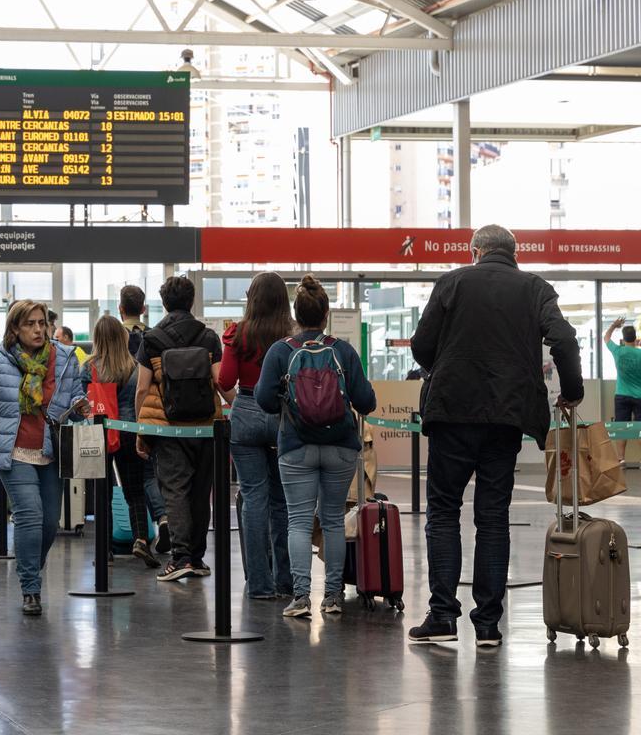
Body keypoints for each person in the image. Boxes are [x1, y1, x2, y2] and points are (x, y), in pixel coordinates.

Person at [408, 224, 582, 647]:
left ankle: (443, 616)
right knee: (492, 516)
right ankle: (488, 625)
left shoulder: (451, 282)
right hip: (506, 417)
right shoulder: (535, 288)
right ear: (514, 253)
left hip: (452, 412)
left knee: (445, 511)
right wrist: (572, 392)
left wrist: (447, 365)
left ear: (477, 251)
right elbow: (563, 337)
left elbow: (421, 345)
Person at [0, 301, 90, 616]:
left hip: (51, 450)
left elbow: (71, 395)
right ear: (15, 328)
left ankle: (30, 563)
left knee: (48, 523)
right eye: (30, 324)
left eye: (42, 323)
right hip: (13, 451)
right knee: (29, 516)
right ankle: (31, 588)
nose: (38, 330)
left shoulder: (65, 358)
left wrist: (79, 403)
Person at [256, 275, 376, 618]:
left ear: (297, 314)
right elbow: (366, 401)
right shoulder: (343, 350)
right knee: (333, 520)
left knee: (298, 521)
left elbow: (264, 401)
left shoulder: (281, 351)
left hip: (295, 446)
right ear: (326, 315)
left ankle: (300, 596)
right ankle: (334, 597)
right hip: (340, 447)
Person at [135, 276, 224, 582]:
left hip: (168, 428)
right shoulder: (209, 337)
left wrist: (141, 429)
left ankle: (180, 557)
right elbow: (220, 382)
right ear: (191, 301)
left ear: (164, 303)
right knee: (201, 492)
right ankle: (196, 558)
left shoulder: (152, 339)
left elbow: (142, 389)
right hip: (206, 426)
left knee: (175, 491)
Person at [219, 272, 294, 600]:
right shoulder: (290, 335)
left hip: (247, 410)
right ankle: (286, 581)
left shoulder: (238, 333)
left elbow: (225, 379)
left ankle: (260, 585)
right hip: (282, 416)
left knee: (253, 499)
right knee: (282, 502)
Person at [82, 315, 159, 568]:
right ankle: (140, 540)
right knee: (134, 490)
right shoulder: (135, 367)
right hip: (128, 431)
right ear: (122, 337)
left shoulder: (90, 367)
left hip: (99, 434)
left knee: (101, 492)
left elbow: (83, 402)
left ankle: (105, 549)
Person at [119, 285, 168, 551]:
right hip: (155, 415)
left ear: (120, 309)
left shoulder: (116, 340)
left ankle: (138, 536)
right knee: (150, 474)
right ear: (144, 309)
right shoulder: (154, 337)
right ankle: (163, 518)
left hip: (123, 419)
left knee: (131, 485)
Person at [604, 317, 641, 462]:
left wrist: (614, 325)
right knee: (639, 429)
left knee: (621, 428)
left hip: (621, 395)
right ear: (635, 338)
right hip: (639, 396)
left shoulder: (618, 351)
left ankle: (621, 459)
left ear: (623, 338)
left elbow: (606, 338)